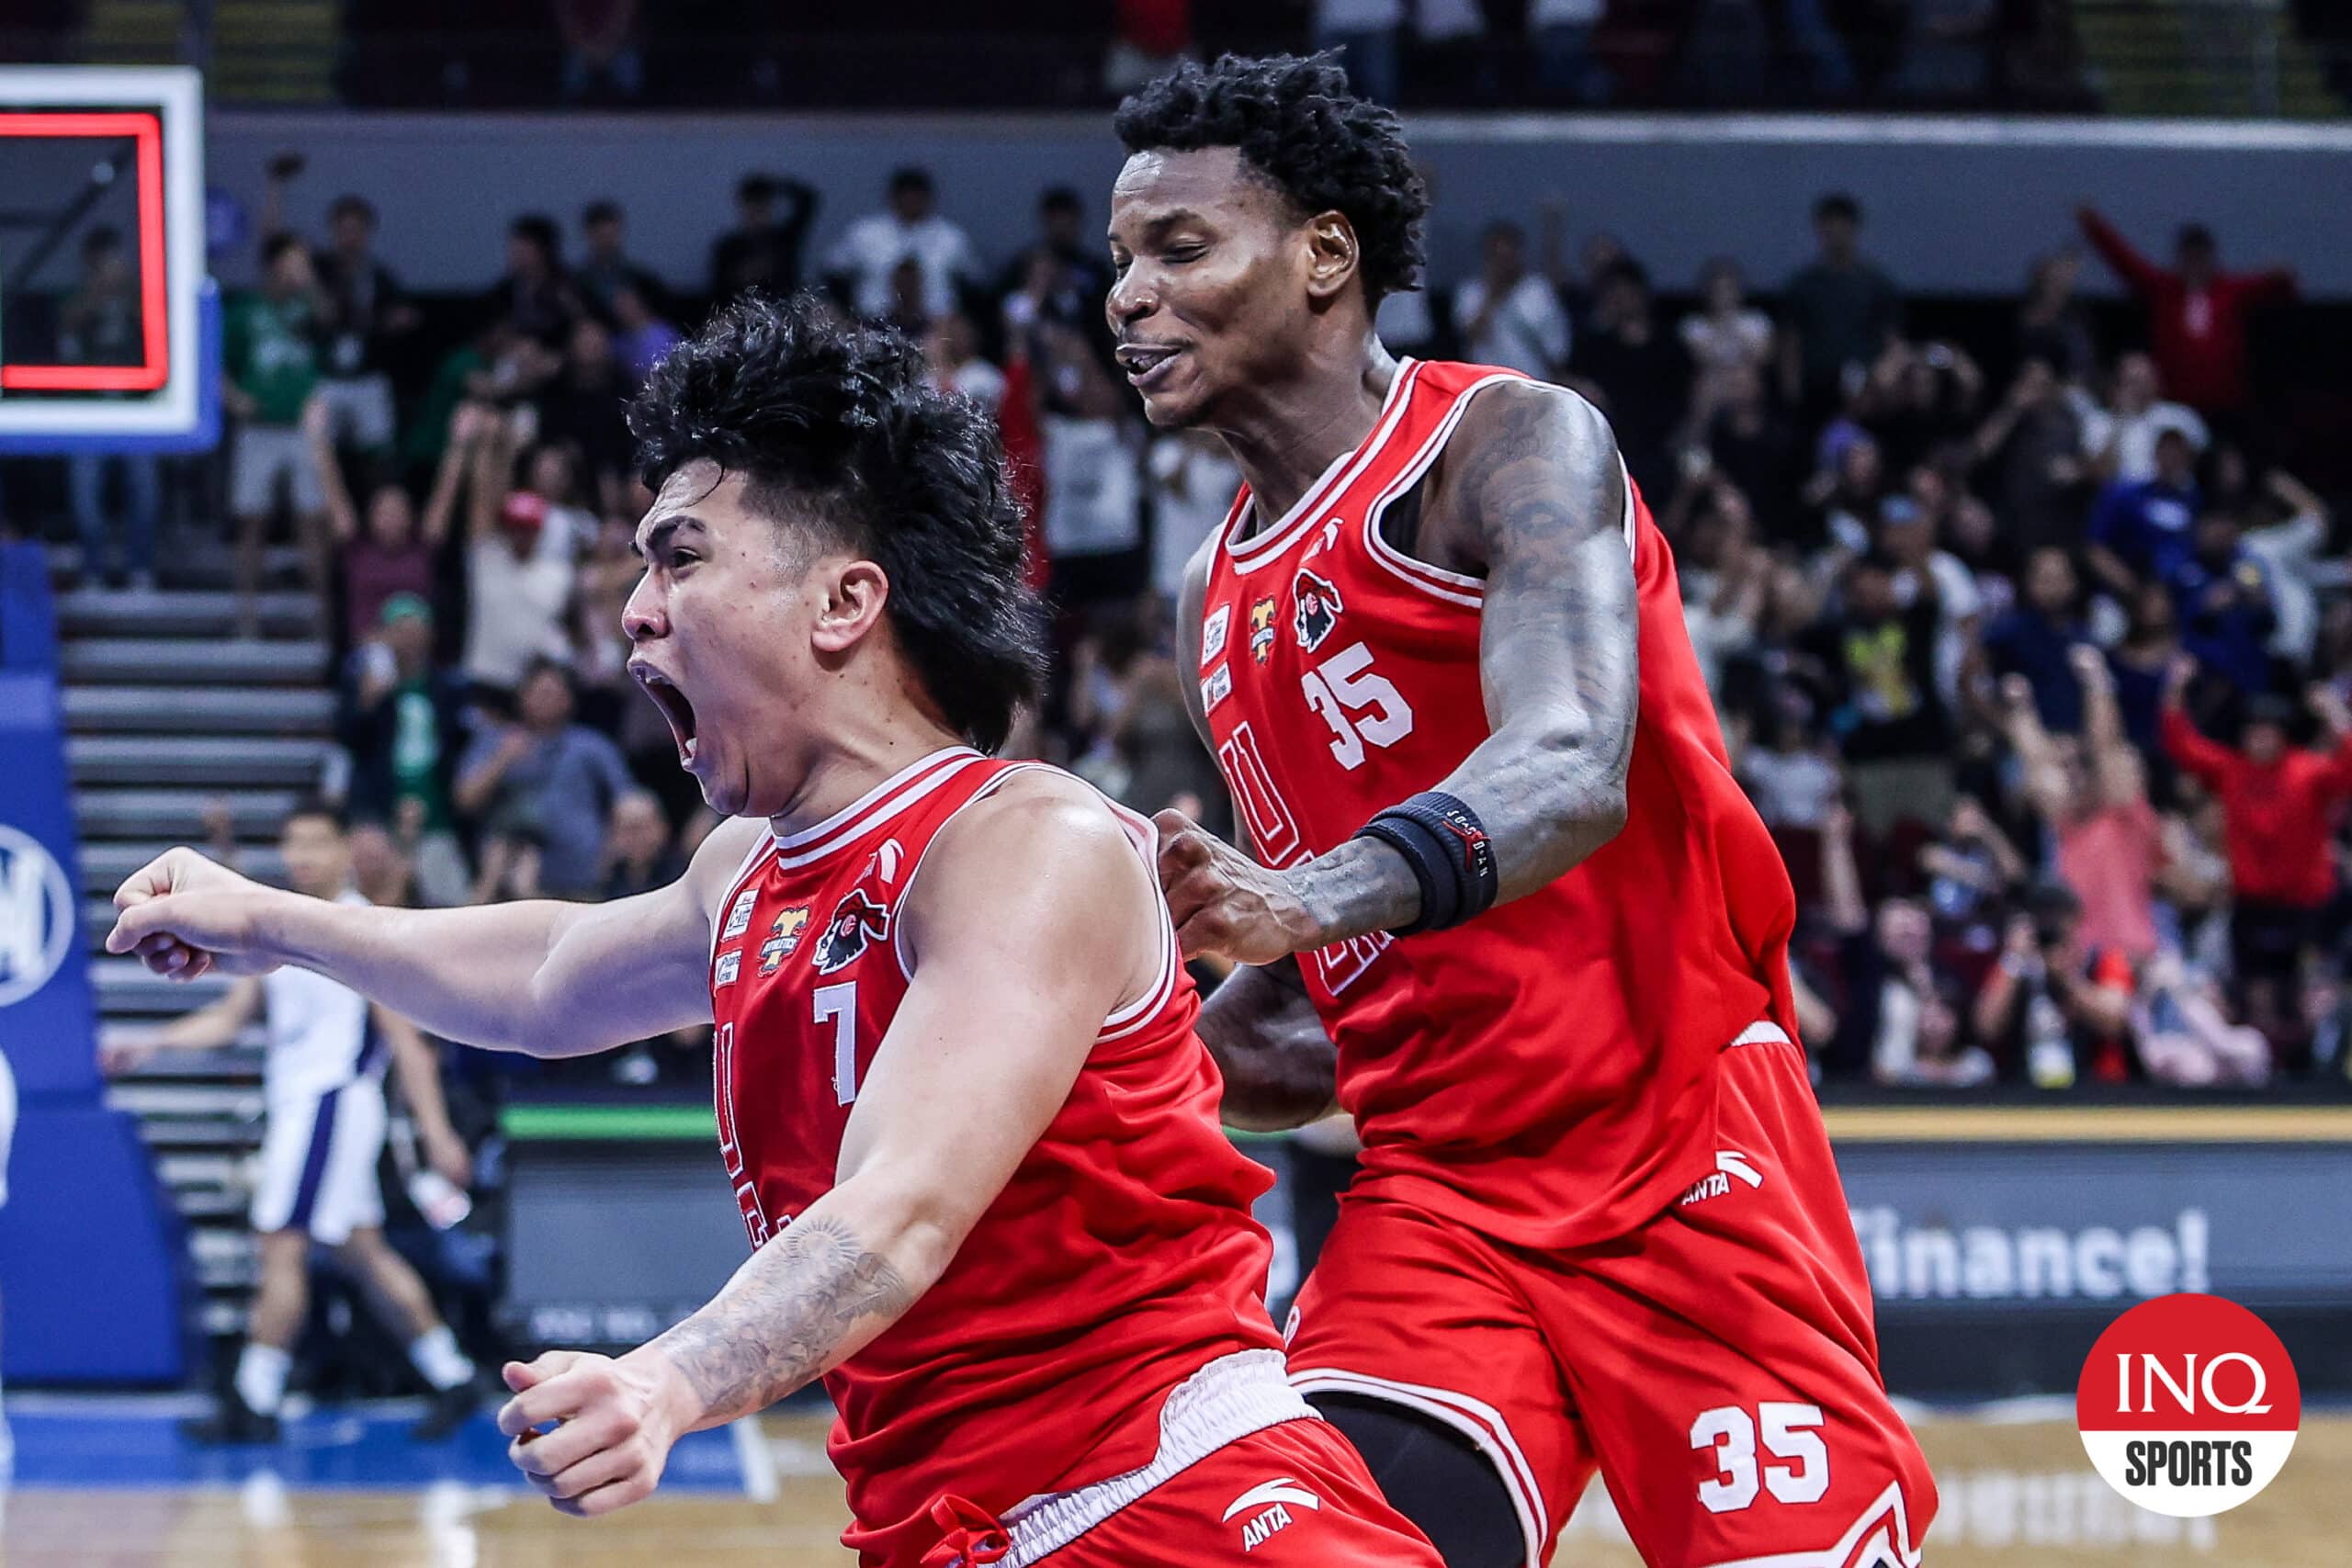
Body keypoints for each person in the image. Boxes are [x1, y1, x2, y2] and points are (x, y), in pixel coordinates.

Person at [106, 297, 1443, 1568]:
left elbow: (902, 1205)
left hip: (1174, 1499)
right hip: (956, 1516)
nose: (632, 608)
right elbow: (548, 978)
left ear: (843, 603)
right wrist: (268, 921)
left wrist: (668, 1372)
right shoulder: (748, 868)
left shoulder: (1027, 839)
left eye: (678, 555)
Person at [1109, 54, 1933, 1568]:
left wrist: (1310, 897)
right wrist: (1100, 1054)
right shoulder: (1207, 598)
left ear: (1324, 253)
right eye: (1120, 262)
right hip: (1438, 1199)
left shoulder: (1503, 443)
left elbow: (1569, 765)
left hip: (1681, 1136)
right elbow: (1306, 1025)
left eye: (1177, 250)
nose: (1127, 298)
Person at [102, 802, 478, 1443]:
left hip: (329, 1104)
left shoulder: (363, 925)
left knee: (281, 1244)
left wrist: (438, 1131)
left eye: (315, 842)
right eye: (292, 842)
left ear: (344, 850)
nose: (301, 855)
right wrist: (153, 1044)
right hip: (305, 1107)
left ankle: (254, 1398)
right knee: (359, 1250)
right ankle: (454, 1375)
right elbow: (229, 1017)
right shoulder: (280, 924)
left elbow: (407, 1039)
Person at [2162, 660, 2352, 1009]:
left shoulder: (2307, 771)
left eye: (2268, 731)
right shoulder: (2232, 771)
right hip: (2251, 905)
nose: (2260, 738)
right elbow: (2183, 746)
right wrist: (2174, 691)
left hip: (2304, 905)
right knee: (2251, 995)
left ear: (2282, 734)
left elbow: (2349, 769)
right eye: (2254, 730)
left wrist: (2336, 715)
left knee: (2307, 995)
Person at [2075, 208, 2296, 421]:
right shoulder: (2163, 291)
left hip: (2225, 405)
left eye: (2200, 255)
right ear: (2180, 257)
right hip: (2175, 402)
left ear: (2211, 256)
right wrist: (2094, 226)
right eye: (2190, 255)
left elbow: (2277, 288)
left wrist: (2282, 275)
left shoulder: (2231, 291)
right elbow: (2125, 262)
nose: (2195, 262)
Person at [225, 233, 331, 637]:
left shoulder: (307, 307)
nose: (298, 269)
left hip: (304, 430)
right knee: (252, 520)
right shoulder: (246, 312)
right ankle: (246, 615)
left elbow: (330, 318)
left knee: (312, 520)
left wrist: (311, 283)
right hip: (259, 429)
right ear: (273, 265)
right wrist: (233, 398)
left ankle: (321, 618)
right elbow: (218, 363)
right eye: (292, 261)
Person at [60, 227, 162, 589]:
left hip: (135, 408)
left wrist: (126, 290)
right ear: (89, 262)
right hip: (88, 410)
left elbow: (155, 328)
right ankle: (93, 569)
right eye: (101, 260)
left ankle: (140, 567)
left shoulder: (137, 294)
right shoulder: (76, 297)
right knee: (86, 496)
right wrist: (98, 290)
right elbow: (67, 323)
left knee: (145, 490)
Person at [825, 166, 980, 322]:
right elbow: (834, 271)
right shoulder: (864, 232)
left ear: (928, 198)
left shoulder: (951, 236)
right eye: (906, 195)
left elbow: (973, 282)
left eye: (917, 195)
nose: (911, 201)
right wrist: (849, 312)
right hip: (874, 323)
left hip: (936, 326)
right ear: (893, 197)